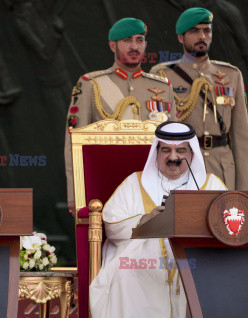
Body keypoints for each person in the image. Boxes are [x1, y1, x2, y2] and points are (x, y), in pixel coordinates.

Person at [89, 121, 226, 318]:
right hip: (140, 262)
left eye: (181, 150)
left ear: (192, 154)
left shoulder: (209, 184)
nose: (173, 157)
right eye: (166, 150)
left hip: (196, 258)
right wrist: (146, 219)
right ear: (156, 152)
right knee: (124, 274)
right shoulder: (135, 183)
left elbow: (226, 226)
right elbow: (112, 226)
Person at [64, 18, 176, 216]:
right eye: (127, 41)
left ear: (145, 45)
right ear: (112, 45)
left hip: (153, 183)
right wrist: (75, 192)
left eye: (139, 40)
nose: (134, 46)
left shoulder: (164, 87)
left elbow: (176, 141)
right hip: (105, 183)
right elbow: (73, 142)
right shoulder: (90, 84)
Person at [151, 7, 248, 190]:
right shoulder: (163, 75)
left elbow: (242, 137)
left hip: (222, 168)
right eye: (195, 31)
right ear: (181, 37)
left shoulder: (231, 75)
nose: (202, 36)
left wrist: (243, 189)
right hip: (181, 166)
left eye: (207, 30)